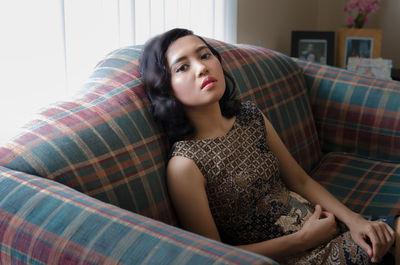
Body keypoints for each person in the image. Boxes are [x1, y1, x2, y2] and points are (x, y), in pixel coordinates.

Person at [139, 28, 400, 264]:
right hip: (291, 257)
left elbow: (300, 180)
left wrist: (355, 221)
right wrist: (302, 240)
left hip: (328, 229)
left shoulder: (249, 115)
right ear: (167, 89)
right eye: (182, 67)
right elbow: (214, 255)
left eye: (205, 55)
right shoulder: (184, 166)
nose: (201, 68)